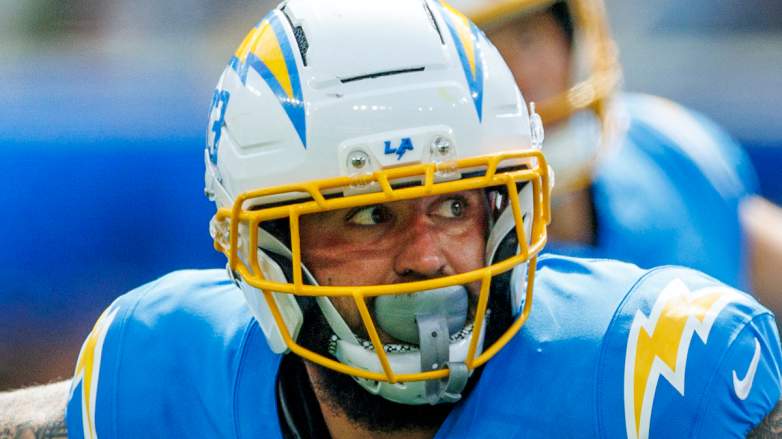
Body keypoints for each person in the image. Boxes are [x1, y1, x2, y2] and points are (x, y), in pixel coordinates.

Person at [1, 1, 780, 438]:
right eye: (370, 214)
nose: (429, 256)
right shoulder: (159, 369)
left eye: (454, 203)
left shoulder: (651, 370)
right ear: (264, 247)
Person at [447, 0, 782, 304]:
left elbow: (763, 256)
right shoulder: (436, 254)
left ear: (572, 34)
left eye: (527, 38)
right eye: (483, 55)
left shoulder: (666, 146)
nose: (520, 75)